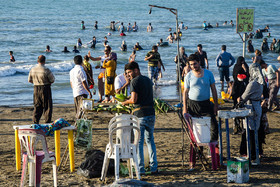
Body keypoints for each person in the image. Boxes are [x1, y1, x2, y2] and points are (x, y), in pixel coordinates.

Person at [182, 54, 219, 169]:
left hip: (206, 104)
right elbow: (185, 93)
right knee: (194, 132)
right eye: (191, 65)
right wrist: (185, 108)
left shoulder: (208, 74)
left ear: (199, 62)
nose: (193, 66)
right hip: (192, 105)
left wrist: (216, 105)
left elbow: (213, 89)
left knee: (213, 126)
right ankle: (197, 154)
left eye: (195, 64)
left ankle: (212, 150)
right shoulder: (188, 76)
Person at [122, 61, 158, 175]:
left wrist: (125, 102)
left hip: (140, 114)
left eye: (129, 72)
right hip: (151, 113)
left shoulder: (134, 81)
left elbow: (134, 100)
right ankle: (154, 167)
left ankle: (140, 169)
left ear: (136, 70)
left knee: (139, 142)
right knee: (150, 140)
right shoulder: (147, 79)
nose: (128, 75)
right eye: (127, 73)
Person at [237, 62, 264, 162]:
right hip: (257, 106)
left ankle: (251, 153)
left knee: (250, 131)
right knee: (255, 130)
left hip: (251, 107)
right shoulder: (261, 83)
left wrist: (239, 100)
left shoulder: (252, 84)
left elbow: (244, 97)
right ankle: (256, 152)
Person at [28, 55, 55, 124]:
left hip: (36, 88)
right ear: (44, 61)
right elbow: (52, 79)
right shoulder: (46, 69)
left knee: (37, 105)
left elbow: (29, 80)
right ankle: (47, 122)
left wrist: (36, 82)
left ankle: (35, 122)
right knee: (47, 106)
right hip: (45, 87)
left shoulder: (32, 69)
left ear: (37, 61)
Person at [231, 56, 249, 134]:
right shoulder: (239, 67)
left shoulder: (236, 66)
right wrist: (245, 70)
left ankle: (238, 126)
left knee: (238, 106)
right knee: (239, 106)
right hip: (239, 88)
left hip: (237, 88)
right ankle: (237, 126)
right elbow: (245, 76)